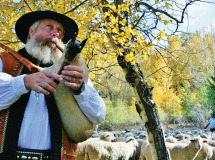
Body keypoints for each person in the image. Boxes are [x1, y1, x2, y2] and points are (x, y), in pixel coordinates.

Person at [0, 10, 106, 160]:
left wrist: (80, 89)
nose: (55, 33)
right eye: (49, 26)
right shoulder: (5, 61)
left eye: (59, 30)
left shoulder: (74, 72)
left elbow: (99, 115)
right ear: (31, 32)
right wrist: (25, 82)